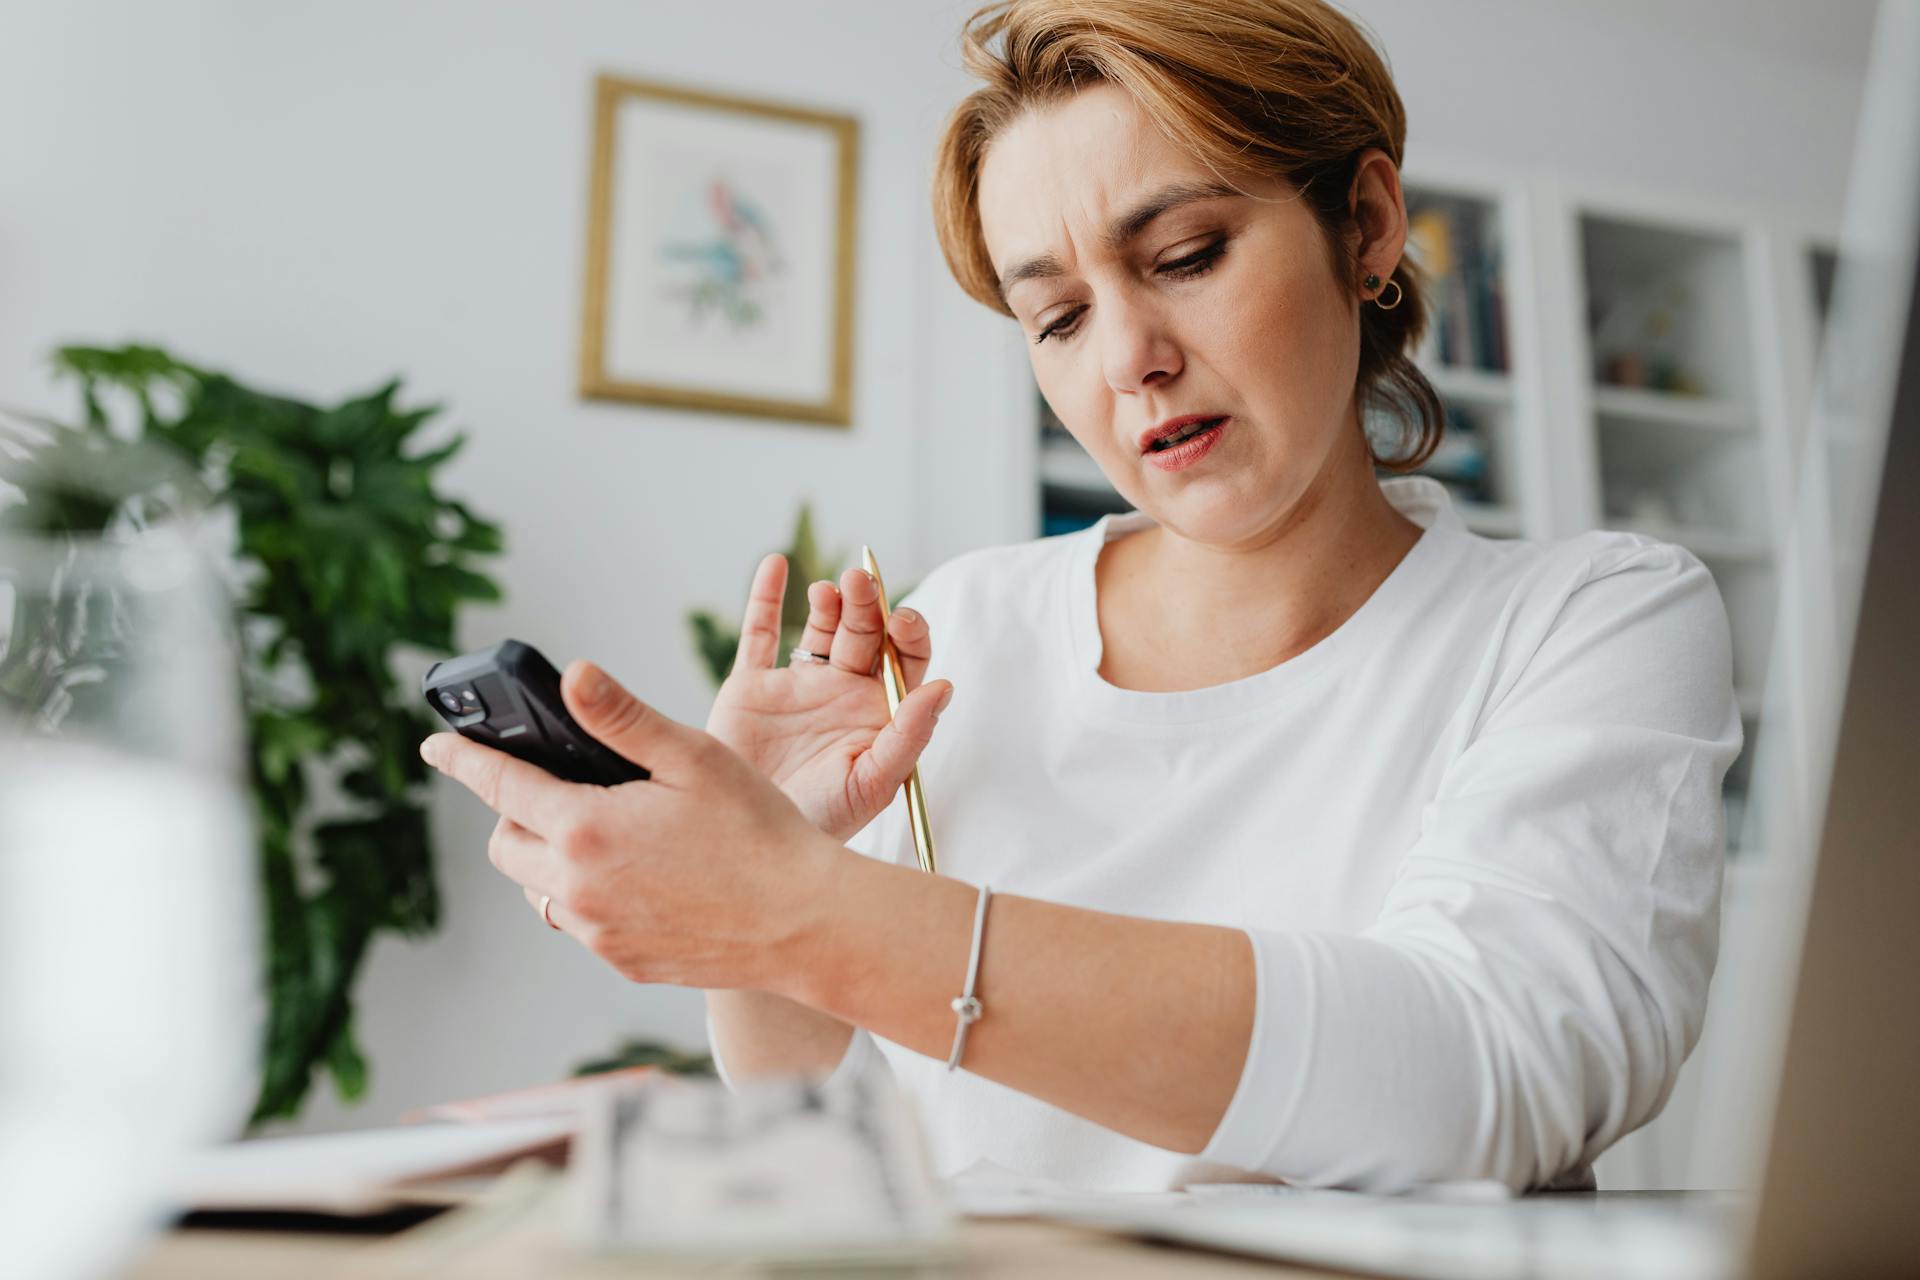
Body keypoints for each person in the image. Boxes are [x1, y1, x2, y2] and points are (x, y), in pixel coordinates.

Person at [421, 0, 1742, 1193]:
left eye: (1185, 253)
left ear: (1369, 225)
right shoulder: (971, 631)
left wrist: (800, 908)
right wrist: (771, 924)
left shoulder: (1591, 623)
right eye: (1055, 320)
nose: (1130, 359)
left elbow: (1484, 1079)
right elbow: (839, 1135)